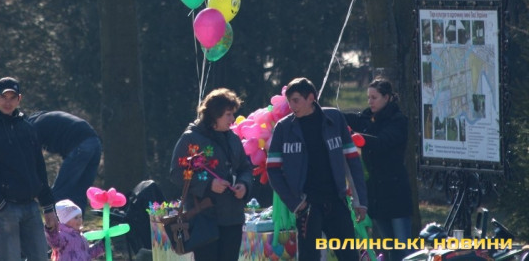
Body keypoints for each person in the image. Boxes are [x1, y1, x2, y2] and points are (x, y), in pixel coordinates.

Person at [266, 77, 368, 261]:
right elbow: (272, 170)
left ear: (311, 98)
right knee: (309, 257)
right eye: (289, 101)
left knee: (349, 256)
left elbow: (352, 161)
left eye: (296, 100)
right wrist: (295, 203)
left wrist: (360, 201)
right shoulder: (283, 127)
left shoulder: (335, 118)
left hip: (336, 201)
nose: (292, 106)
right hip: (307, 206)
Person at [0, 77, 59, 260]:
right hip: (5, 209)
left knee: (41, 257)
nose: (8, 102)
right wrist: (0, 205)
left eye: (12, 97)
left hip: (31, 206)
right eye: (4, 97)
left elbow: (39, 169)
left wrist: (48, 206)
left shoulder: (27, 127)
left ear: (19, 99)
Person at [169, 88, 253, 261]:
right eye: (228, 114)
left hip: (232, 218)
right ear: (214, 115)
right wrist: (208, 184)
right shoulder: (190, 139)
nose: (233, 119)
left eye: (233, 114)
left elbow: (245, 168)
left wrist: (244, 185)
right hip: (204, 219)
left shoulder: (233, 139)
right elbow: (177, 173)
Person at [345, 77, 413, 261]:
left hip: (396, 194)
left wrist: (362, 139)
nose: (370, 101)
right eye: (368, 97)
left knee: (404, 249)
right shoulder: (367, 117)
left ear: (387, 97)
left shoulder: (398, 121)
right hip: (377, 196)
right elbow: (347, 118)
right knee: (389, 247)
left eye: (374, 97)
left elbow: (383, 141)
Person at [27, 111, 103, 217]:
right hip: (95, 143)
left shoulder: (32, 128)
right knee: (80, 192)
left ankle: (55, 225)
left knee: (59, 192)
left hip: (80, 145)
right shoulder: (45, 119)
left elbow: (32, 160)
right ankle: (76, 225)